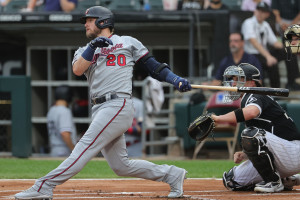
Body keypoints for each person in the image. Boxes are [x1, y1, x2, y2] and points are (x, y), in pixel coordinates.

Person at [14, 5, 191, 200]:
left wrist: (176, 80)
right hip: (99, 107)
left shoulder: (127, 42)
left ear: (103, 21)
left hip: (118, 104)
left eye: (89, 21)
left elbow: (155, 68)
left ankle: (43, 186)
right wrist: (92, 47)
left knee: (83, 149)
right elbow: (77, 70)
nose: (86, 25)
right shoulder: (83, 50)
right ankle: (173, 174)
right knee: (121, 166)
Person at [209, 63, 300, 193]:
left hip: (292, 152)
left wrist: (218, 118)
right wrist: (246, 154)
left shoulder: (256, 94)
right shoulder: (248, 98)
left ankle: (274, 181)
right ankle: (288, 179)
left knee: (250, 134)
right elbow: (266, 143)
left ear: (251, 83)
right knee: (231, 180)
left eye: (238, 79)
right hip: (280, 154)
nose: (233, 84)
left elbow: (252, 112)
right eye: (233, 80)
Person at [241, 2, 300, 90]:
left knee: (289, 52)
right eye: (258, 11)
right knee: (272, 63)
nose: (260, 14)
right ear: (255, 11)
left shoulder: (265, 25)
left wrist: (288, 47)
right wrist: (268, 56)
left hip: (264, 54)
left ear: (267, 14)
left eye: (263, 12)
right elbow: (254, 43)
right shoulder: (248, 23)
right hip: (252, 55)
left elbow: (275, 43)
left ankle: (293, 81)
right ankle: (275, 90)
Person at [47, 85, 77, 157]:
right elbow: (65, 133)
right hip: (64, 150)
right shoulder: (64, 111)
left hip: (54, 149)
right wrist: (74, 150)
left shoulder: (51, 110)